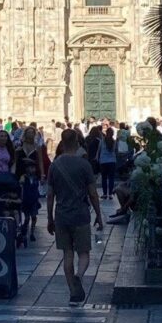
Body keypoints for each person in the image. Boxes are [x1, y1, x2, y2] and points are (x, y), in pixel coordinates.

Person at [47, 128, 103, 305]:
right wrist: (99, 216)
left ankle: (73, 291)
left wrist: (49, 218)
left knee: (68, 253)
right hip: (81, 214)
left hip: (62, 215)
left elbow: (50, 195)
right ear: (78, 143)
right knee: (84, 253)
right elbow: (93, 193)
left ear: (62, 143)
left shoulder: (54, 165)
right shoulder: (84, 165)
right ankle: (79, 275)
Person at [18, 157, 41, 243]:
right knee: (27, 218)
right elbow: (21, 184)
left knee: (34, 217)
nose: (33, 169)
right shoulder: (24, 177)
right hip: (26, 200)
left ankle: (32, 233)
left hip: (34, 200)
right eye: (31, 168)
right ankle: (24, 231)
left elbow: (36, 188)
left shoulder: (35, 178)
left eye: (33, 168)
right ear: (26, 169)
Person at [98, 127, 117, 200]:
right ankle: (110, 194)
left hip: (103, 161)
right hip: (112, 161)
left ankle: (105, 194)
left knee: (104, 178)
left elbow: (99, 151)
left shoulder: (102, 141)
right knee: (111, 178)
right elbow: (115, 151)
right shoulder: (114, 141)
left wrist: (97, 158)